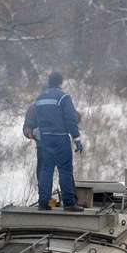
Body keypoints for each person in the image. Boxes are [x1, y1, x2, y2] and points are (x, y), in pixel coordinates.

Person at [23, 72, 84, 212]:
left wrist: (32, 133)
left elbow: (29, 124)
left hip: (44, 141)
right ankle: (69, 203)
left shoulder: (38, 100)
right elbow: (71, 119)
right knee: (65, 170)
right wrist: (77, 138)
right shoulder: (63, 97)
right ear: (60, 82)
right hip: (60, 137)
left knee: (45, 170)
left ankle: (44, 203)